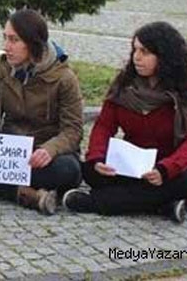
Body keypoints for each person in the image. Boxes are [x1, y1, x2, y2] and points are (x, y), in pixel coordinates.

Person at [0, 9, 83, 215]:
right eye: (5, 38)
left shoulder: (64, 78)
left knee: (69, 171)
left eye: (14, 40)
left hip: (44, 153)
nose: (7, 46)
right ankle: (28, 195)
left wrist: (49, 150)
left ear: (32, 43)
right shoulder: (3, 70)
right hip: (12, 148)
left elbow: (73, 130)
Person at [63, 22, 187, 223]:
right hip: (132, 165)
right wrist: (97, 158)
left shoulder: (182, 89)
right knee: (91, 172)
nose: (136, 57)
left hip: (170, 165)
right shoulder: (125, 84)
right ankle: (165, 204)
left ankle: (95, 202)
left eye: (145, 52)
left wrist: (165, 169)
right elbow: (104, 125)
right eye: (135, 50)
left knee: (182, 180)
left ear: (164, 56)